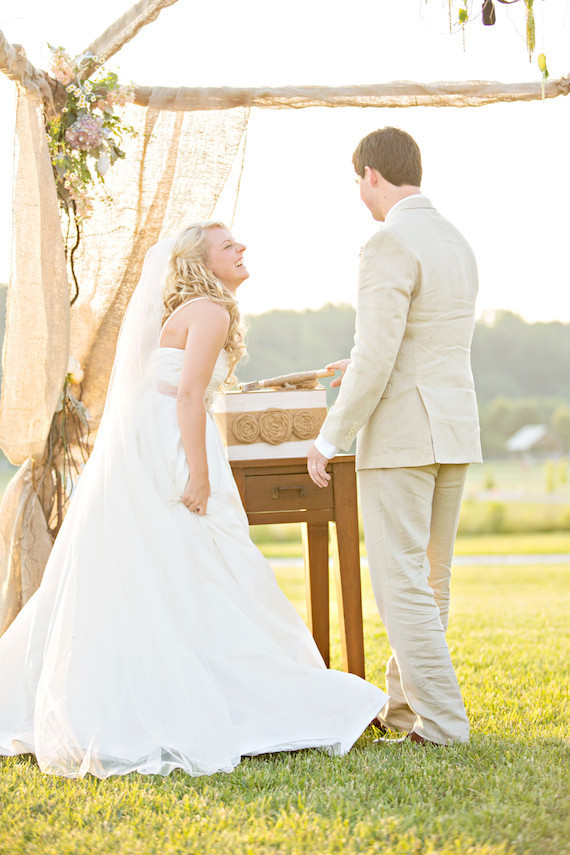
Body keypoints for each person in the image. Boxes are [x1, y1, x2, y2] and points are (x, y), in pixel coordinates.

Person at [0, 222, 388, 778]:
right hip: (174, 444)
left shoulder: (196, 310)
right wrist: (200, 475)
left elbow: (188, 390)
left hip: (158, 436)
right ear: (203, 263)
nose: (242, 248)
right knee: (197, 560)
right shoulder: (210, 311)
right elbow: (187, 396)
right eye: (229, 245)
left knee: (168, 567)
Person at [307, 128, 482, 747]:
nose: (360, 193)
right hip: (453, 429)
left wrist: (330, 436)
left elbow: (377, 352)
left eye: (358, 181)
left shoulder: (388, 241)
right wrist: (359, 366)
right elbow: (422, 341)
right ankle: (404, 710)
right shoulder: (456, 241)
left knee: (401, 582)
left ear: (372, 176)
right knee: (431, 579)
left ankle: (445, 725)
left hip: (405, 435)